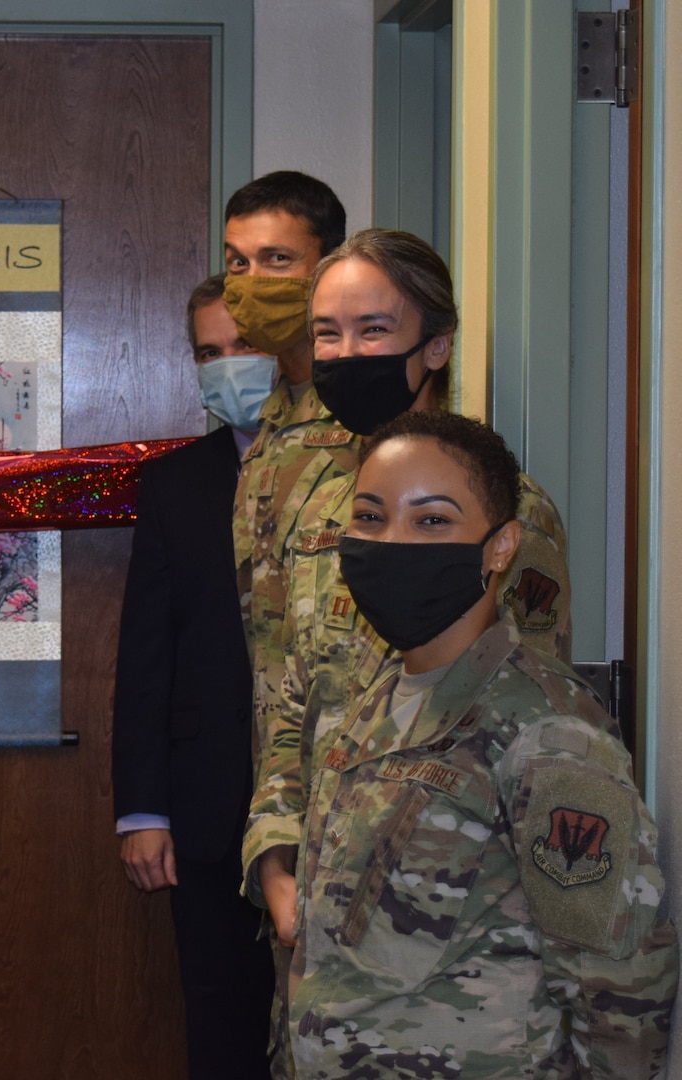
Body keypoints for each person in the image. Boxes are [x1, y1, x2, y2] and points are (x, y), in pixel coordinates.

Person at [288, 410, 676, 1076]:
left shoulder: (546, 729)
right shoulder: (376, 696)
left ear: (500, 548)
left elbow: (620, 994)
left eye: (432, 520)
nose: (393, 542)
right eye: (371, 517)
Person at [245, 229, 571, 958]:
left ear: (435, 346)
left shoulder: (506, 512)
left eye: (375, 329)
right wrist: (273, 848)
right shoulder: (312, 498)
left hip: (448, 909)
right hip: (313, 891)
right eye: (327, 333)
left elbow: (537, 715)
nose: (346, 354)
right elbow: (285, 694)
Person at [112, 274, 275, 1078]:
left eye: (243, 347)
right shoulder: (176, 484)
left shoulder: (369, 471)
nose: (227, 367)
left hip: (333, 808)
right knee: (222, 1025)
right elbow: (148, 654)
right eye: (208, 352)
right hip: (210, 810)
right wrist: (142, 808)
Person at [221, 169, 353, 1076]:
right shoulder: (273, 428)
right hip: (283, 797)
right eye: (235, 262)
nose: (251, 282)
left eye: (277, 261)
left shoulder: (376, 433)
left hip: (357, 800)